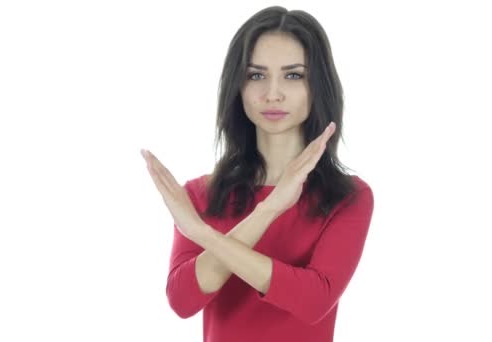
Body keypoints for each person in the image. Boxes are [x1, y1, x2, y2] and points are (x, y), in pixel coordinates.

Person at [140, 5, 374, 342]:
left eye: (293, 75)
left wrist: (205, 235)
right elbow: (183, 300)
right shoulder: (199, 195)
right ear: (238, 86)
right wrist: (270, 209)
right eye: (256, 75)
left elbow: (314, 300)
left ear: (318, 85)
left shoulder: (349, 196)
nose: (272, 93)